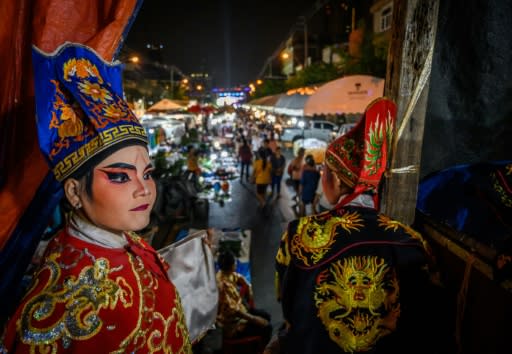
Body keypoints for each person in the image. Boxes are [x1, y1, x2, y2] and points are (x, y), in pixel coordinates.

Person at [2, 43, 192, 353]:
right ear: (75, 192)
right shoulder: (63, 305)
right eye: (119, 176)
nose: (144, 188)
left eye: (147, 173)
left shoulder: (127, 240)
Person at [273, 98, 451, 354]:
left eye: (325, 170)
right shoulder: (410, 239)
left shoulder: (299, 234)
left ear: (334, 178)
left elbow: (285, 301)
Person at [216, 251, 272, 345]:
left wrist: (246, 285)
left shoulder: (224, 273)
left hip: (241, 312)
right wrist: (254, 319)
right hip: (234, 324)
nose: (236, 264)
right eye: (235, 262)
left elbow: (238, 278)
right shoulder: (223, 286)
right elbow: (235, 311)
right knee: (267, 327)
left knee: (266, 316)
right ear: (231, 266)